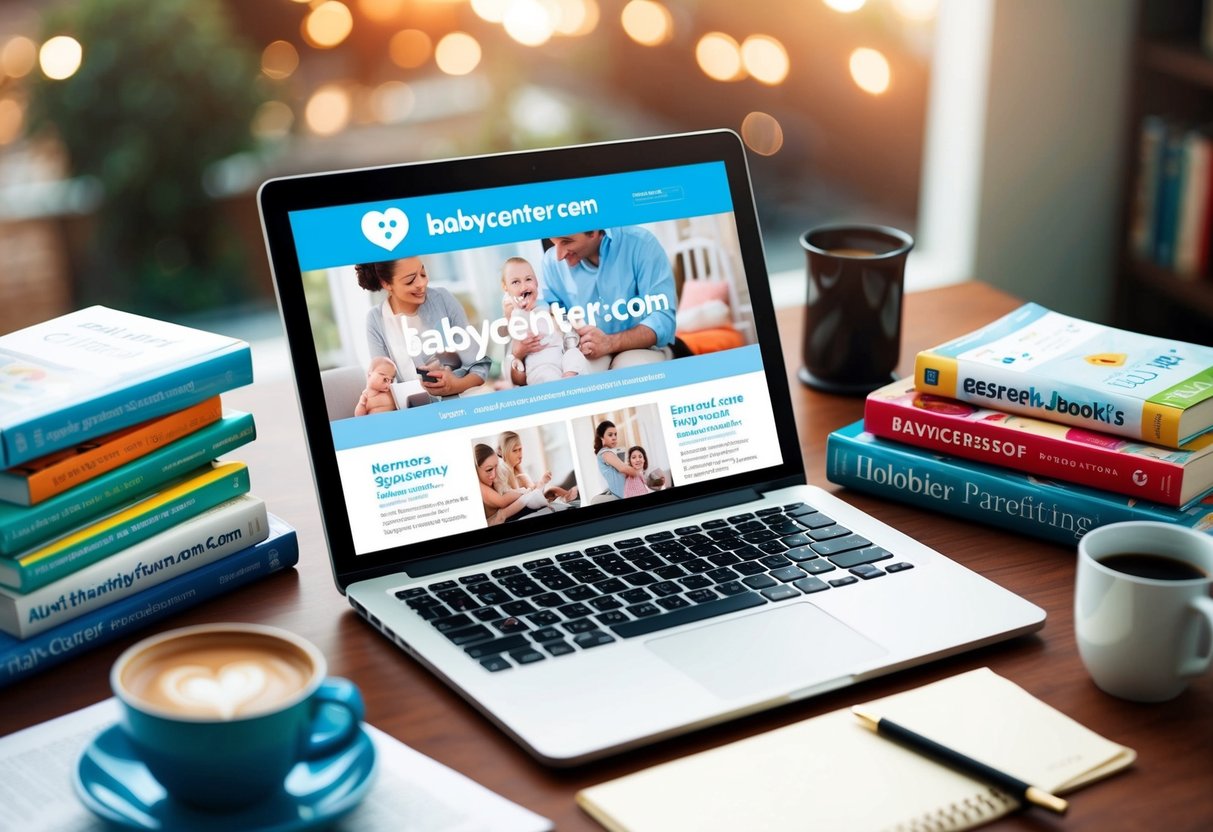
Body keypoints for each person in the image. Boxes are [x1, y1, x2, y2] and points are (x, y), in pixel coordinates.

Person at [510, 227, 676, 384]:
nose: (559, 255)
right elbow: (551, 313)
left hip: (641, 348)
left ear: (594, 231)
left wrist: (610, 343)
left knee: (627, 372)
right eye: (555, 243)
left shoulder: (641, 244)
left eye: (566, 242)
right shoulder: (552, 262)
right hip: (586, 350)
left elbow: (663, 320)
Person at [356, 256, 489, 400]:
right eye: (410, 280)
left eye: (423, 273)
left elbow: (479, 366)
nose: (422, 283)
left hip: (462, 399)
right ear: (386, 283)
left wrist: (457, 384)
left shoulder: (442, 299)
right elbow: (382, 382)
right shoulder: (376, 319)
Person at [501, 257, 589, 386]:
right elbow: (515, 333)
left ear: (536, 282)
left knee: (574, 355)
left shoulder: (547, 306)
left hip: (562, 357)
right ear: (506, 289)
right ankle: (562, 388)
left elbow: (568, 331)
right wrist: (513, 311)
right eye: (515, 282)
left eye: (528, 279)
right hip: (540, 366)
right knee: (547, 374)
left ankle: (569, 379)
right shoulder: (516, 314)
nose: (524, 286)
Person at [496, 430, 578, 504]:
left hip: (532, 498)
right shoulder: (505, 470)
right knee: (554, 490)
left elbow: (531, 488)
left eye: (520, 449)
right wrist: (542, 483)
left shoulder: (516, 467)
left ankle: (570, 497)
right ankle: (570, 498)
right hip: (525, 503)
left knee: (554, 489)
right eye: (515, 451)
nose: (520, 455)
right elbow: (519, 498)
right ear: (504, 451)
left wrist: (539, 486)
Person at [473, 444, 530, 525]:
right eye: (489, 470)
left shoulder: (494, 479)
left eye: (496, 467)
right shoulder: (479, 486)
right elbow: (502, 501)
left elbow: (509, 491)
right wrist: (524, 492)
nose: (494, 475)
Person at [593, 420, 645, 500]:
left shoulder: (608, 452)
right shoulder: (605, 453)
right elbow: (623, 468)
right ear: (602, 437)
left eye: (615, 434)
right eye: (610, 435)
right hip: (623, 494)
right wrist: (638, 473)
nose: (614, 437)